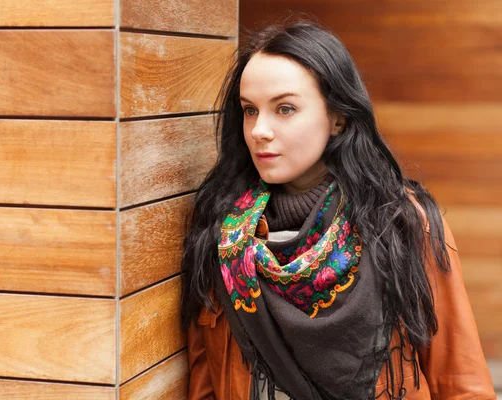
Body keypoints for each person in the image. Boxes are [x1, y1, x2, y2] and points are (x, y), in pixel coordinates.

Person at [180, 20, 496, 400]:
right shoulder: (225, 236)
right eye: (250, 110)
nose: (260, 129)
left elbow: (459, 382)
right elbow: (205, 385)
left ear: (338, 118)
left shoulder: (400, 224)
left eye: (285, 108)